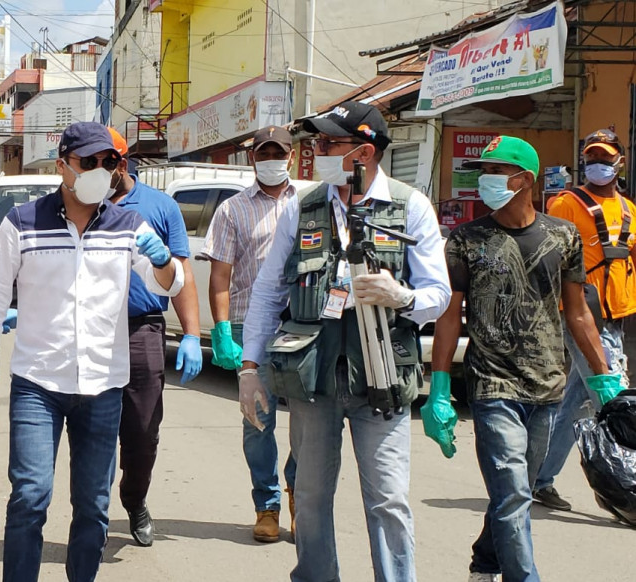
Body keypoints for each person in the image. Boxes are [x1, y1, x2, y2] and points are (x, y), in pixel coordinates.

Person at [241, 101, 451, 582]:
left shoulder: (409, 206)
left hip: (382, 376)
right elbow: (270, 290)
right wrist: (250, 370)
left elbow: (438, 296)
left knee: (389, 499)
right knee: (311, 496)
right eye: (316, 143)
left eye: (328, 143)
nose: (316, 152)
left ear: (363, 151)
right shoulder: (305, 206)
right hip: (313, 379)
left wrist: (401, 296)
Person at [0, 121, 184, 582]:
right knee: (29, 496)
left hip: (104, 384)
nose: (101, 171)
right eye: (89, 162)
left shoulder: (130, 224)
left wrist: (163, 259)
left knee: (93, 505)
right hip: (38, 384)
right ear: (63, 166)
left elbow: (168, 284)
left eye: (111, 163)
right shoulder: (21, 221)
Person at [427, 135, 623, 582]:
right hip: (492, 383)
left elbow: (577, 313)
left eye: (496, 170)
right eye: (485, 170)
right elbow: (449, 317)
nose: (486, 178)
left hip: (548, 384)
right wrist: (439, 388)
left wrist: (603, 377)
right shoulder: (466, 240)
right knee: (514, 495)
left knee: (513, 493)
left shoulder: (563, 235)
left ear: (525, 179)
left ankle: (484, 563)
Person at [105, 126, 202, 547]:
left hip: (142, 329)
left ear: (121, 165)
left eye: (101, 163)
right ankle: (91, 512)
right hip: (89, 331)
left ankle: (134, 498)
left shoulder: (161, 207)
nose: (91, 171)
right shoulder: (78, 204)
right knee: (94, 428)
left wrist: (194, 335)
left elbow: (181, 276)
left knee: (143, 430)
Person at [200, 125, 298, 542]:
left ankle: (299, 492)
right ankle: (267, 506)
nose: (271, 159)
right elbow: (219, 275)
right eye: (264, 152)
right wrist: (222, 329)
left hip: (302, 327)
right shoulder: (232, 210)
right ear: (252, 158)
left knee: (313, 421)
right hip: (248, 325)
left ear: (291, 157)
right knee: (257, 421)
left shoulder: (309, 202)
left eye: (278, 152)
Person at [533, 129, 634, 511]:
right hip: (578, 314)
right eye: (592, 158)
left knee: (577, 398)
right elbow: (548, 255)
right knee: (615, 401)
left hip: (616, 314)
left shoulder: (628, 210)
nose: (599, 165)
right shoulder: (566, 203)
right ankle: (624, 486)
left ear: (619, 163)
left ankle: (539, 478)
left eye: (606, 159)